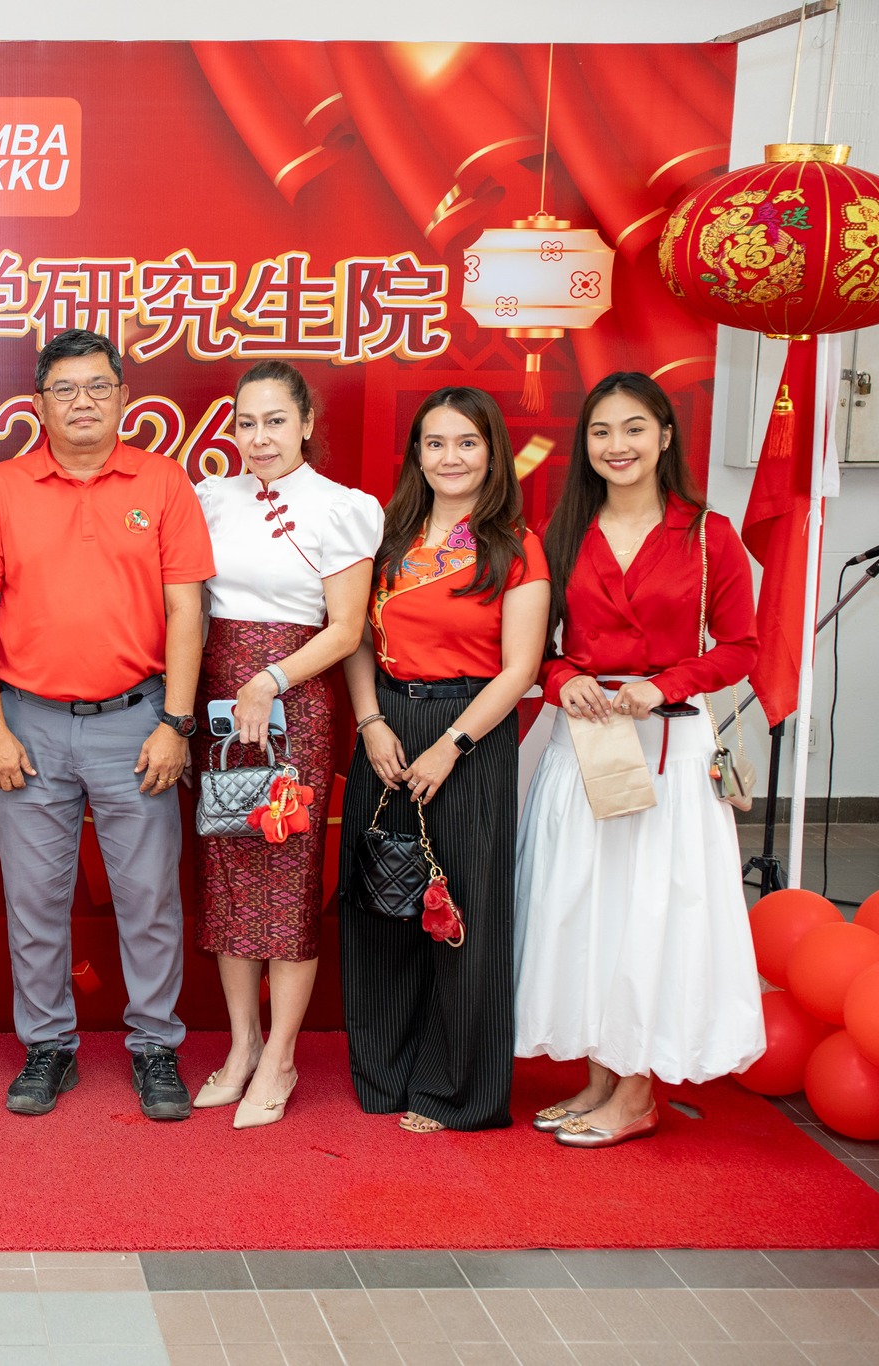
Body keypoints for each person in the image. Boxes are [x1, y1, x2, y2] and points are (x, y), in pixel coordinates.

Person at [0, 327, 214, 1121]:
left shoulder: (163, 482)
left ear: (124, 396)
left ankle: (156, 1047)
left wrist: (176, 723)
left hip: (137, 723)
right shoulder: (1, 489)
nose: (83, 403)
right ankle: (48, 1047)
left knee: (150, 900)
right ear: (39, 404)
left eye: (99, 386)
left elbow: (186, 610)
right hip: (27, 726)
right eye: (64, 389)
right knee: (35, 902)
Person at [515, 371, 762, 1149]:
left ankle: (636, 1092)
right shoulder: (562, 530)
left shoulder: (709, 534)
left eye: (633, 429)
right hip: (585, 745)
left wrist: (666, 686)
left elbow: (742, 648)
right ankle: (598, 1079)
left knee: (651, 912)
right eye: (601, 431)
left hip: (669, 747)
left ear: (664, 436)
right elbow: (533, 648)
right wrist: (565, 678)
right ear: (584, 443)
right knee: (587, 911)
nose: (616, 445)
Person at [338, 386, 549, 1134]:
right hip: (386, 727)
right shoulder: (387, 535)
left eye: (467, 442)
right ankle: (385, 1073)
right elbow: (354, 636)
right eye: (435, 443)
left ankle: (455, 1090)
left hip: (470, 733)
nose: (450, 457)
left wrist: (450, 746)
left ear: (492, 452)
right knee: (380, 905)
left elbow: (520, 669)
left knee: (461, 913)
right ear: (416, 454)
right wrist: (369, 722)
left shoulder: (514, 545)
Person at [190, 361, 381, 1130]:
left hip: (293, 702)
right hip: (219, 708)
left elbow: (347, 627)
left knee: (289, 881)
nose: (259, 437)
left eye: (275, 421)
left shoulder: (343, 508)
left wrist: (269, 680)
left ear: (306, 423)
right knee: (228, 878)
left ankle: (281, 1056)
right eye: (246, 422)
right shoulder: (210, 498)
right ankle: (242, 1045)